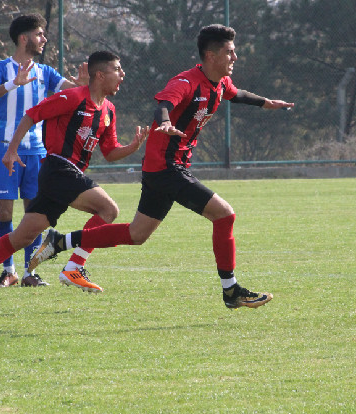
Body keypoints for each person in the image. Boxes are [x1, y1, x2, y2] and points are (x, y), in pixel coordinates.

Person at [29, 24, 294, 309]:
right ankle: (231, 291)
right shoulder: (186, 82)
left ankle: (60, 241)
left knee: (137, 234)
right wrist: (165, 121)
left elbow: (236, 93)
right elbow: (164, 101)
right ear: (211, 55)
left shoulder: (219, 84)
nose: (235, 57)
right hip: (167, 167)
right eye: (230, 52)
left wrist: (266, 103)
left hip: (165, 169)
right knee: (225, 215)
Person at [0, 50, 149, 312]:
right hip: (58, 169)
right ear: (100, 75)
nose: (122, 75)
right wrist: (11, 150)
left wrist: (132, 147)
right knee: (109, 209)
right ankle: (74, 266)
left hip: (64, 176)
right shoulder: (73, 97)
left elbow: (111, 152)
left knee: (23, 236)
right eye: (117, 70)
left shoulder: (109, 111)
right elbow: (31, 115)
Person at [0, 13, 87, 288]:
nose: (44, 39)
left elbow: (72, 92)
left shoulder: (46, 72)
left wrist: (85, 84)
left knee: (35, 215)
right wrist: (14, 83)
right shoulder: (2, 68)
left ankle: (30, 272)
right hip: (6, 151)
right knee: (5, 213)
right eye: (40, 34)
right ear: (24, 38)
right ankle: (8, 271)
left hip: (37, 153)